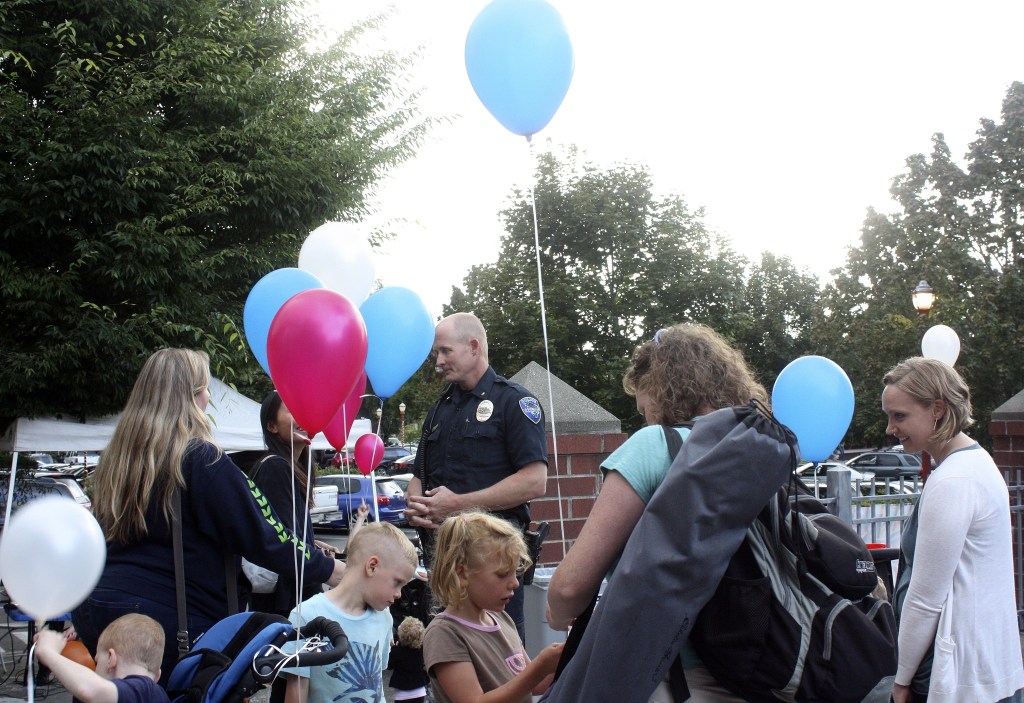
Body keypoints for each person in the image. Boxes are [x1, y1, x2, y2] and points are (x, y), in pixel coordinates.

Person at [73, 349, 346, 687]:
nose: (207, 399)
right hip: (165, 620)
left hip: (96, 604)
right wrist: (331, 569)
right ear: (190, 397)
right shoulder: (199, 457)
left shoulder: (119, 460)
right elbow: (263, 533)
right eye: (204, 390)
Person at [545, 323, 767, 701]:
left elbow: (570, 586)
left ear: (660, 389)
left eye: (643, 407)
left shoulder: (655, 446)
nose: (644, 417)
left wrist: (556, 612)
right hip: (758, 669)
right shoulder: (759, 447)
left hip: (676, 678)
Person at [883, 357, 1024, 703]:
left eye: (900, 416)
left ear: (938, 409)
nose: (890, 428)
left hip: (959, 673)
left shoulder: (954, 480)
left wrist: (901, 680)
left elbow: (925, 598)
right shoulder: (976, 463)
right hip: (986, 664)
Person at [406, 312, 548, 640]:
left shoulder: (514, 402)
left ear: (473, 347)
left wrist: (458, 504)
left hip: (492, 563)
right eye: (436, 354)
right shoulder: (440, 408)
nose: (439, 361)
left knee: (501, 660)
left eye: (445, 351)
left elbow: (534, 481)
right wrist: (415, 502)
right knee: (446, 660)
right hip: (444, 561)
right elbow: (419, 474)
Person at [422, 511, 563, 703]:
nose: (514, 583)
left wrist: (567, 655)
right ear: (462, 573)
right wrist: (540, 666)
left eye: (516, 573)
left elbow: (534, 684)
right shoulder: (445, 633)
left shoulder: (503, 619)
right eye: (503, 574)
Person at [282, 521, 418, 703]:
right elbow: (296, 692)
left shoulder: (384, 618)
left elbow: (377, 687)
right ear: (372, 566)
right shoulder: (307, 615)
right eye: (397, 582)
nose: (399, 594)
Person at [34, 613, 169, 703]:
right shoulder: (156, 694)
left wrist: (48, 652)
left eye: (97, 660)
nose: (95, 667)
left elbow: (89, 689)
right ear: (157, 675)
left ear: (111, 659)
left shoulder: (144, 690)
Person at [388, 616, 430, 703]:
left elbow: (389, 665)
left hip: (402, 692)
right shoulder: (422, 649)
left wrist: (392, 649)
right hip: (419, 690)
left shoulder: (397, 650)